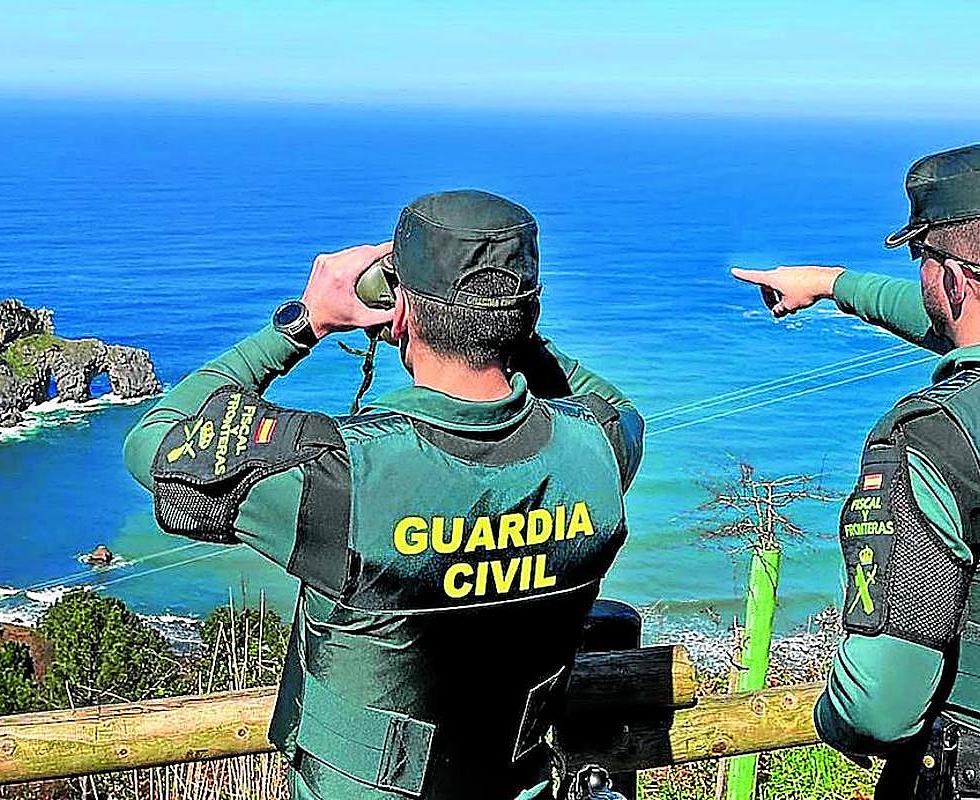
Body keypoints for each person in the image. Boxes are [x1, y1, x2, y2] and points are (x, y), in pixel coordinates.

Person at [123, 189, 644, 800]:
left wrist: (303, 323)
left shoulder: (342, 473)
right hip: (516, 782)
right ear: (529, 312)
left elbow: (154, 444)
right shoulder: (600, 449)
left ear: (396, 314)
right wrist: (504, 328)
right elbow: (611, 403)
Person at [733, 143, 980, 798]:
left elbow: (878, 710)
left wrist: (831, 721)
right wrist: (832, 285)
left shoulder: (940, 440)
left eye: (923, 263)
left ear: (956, 282)